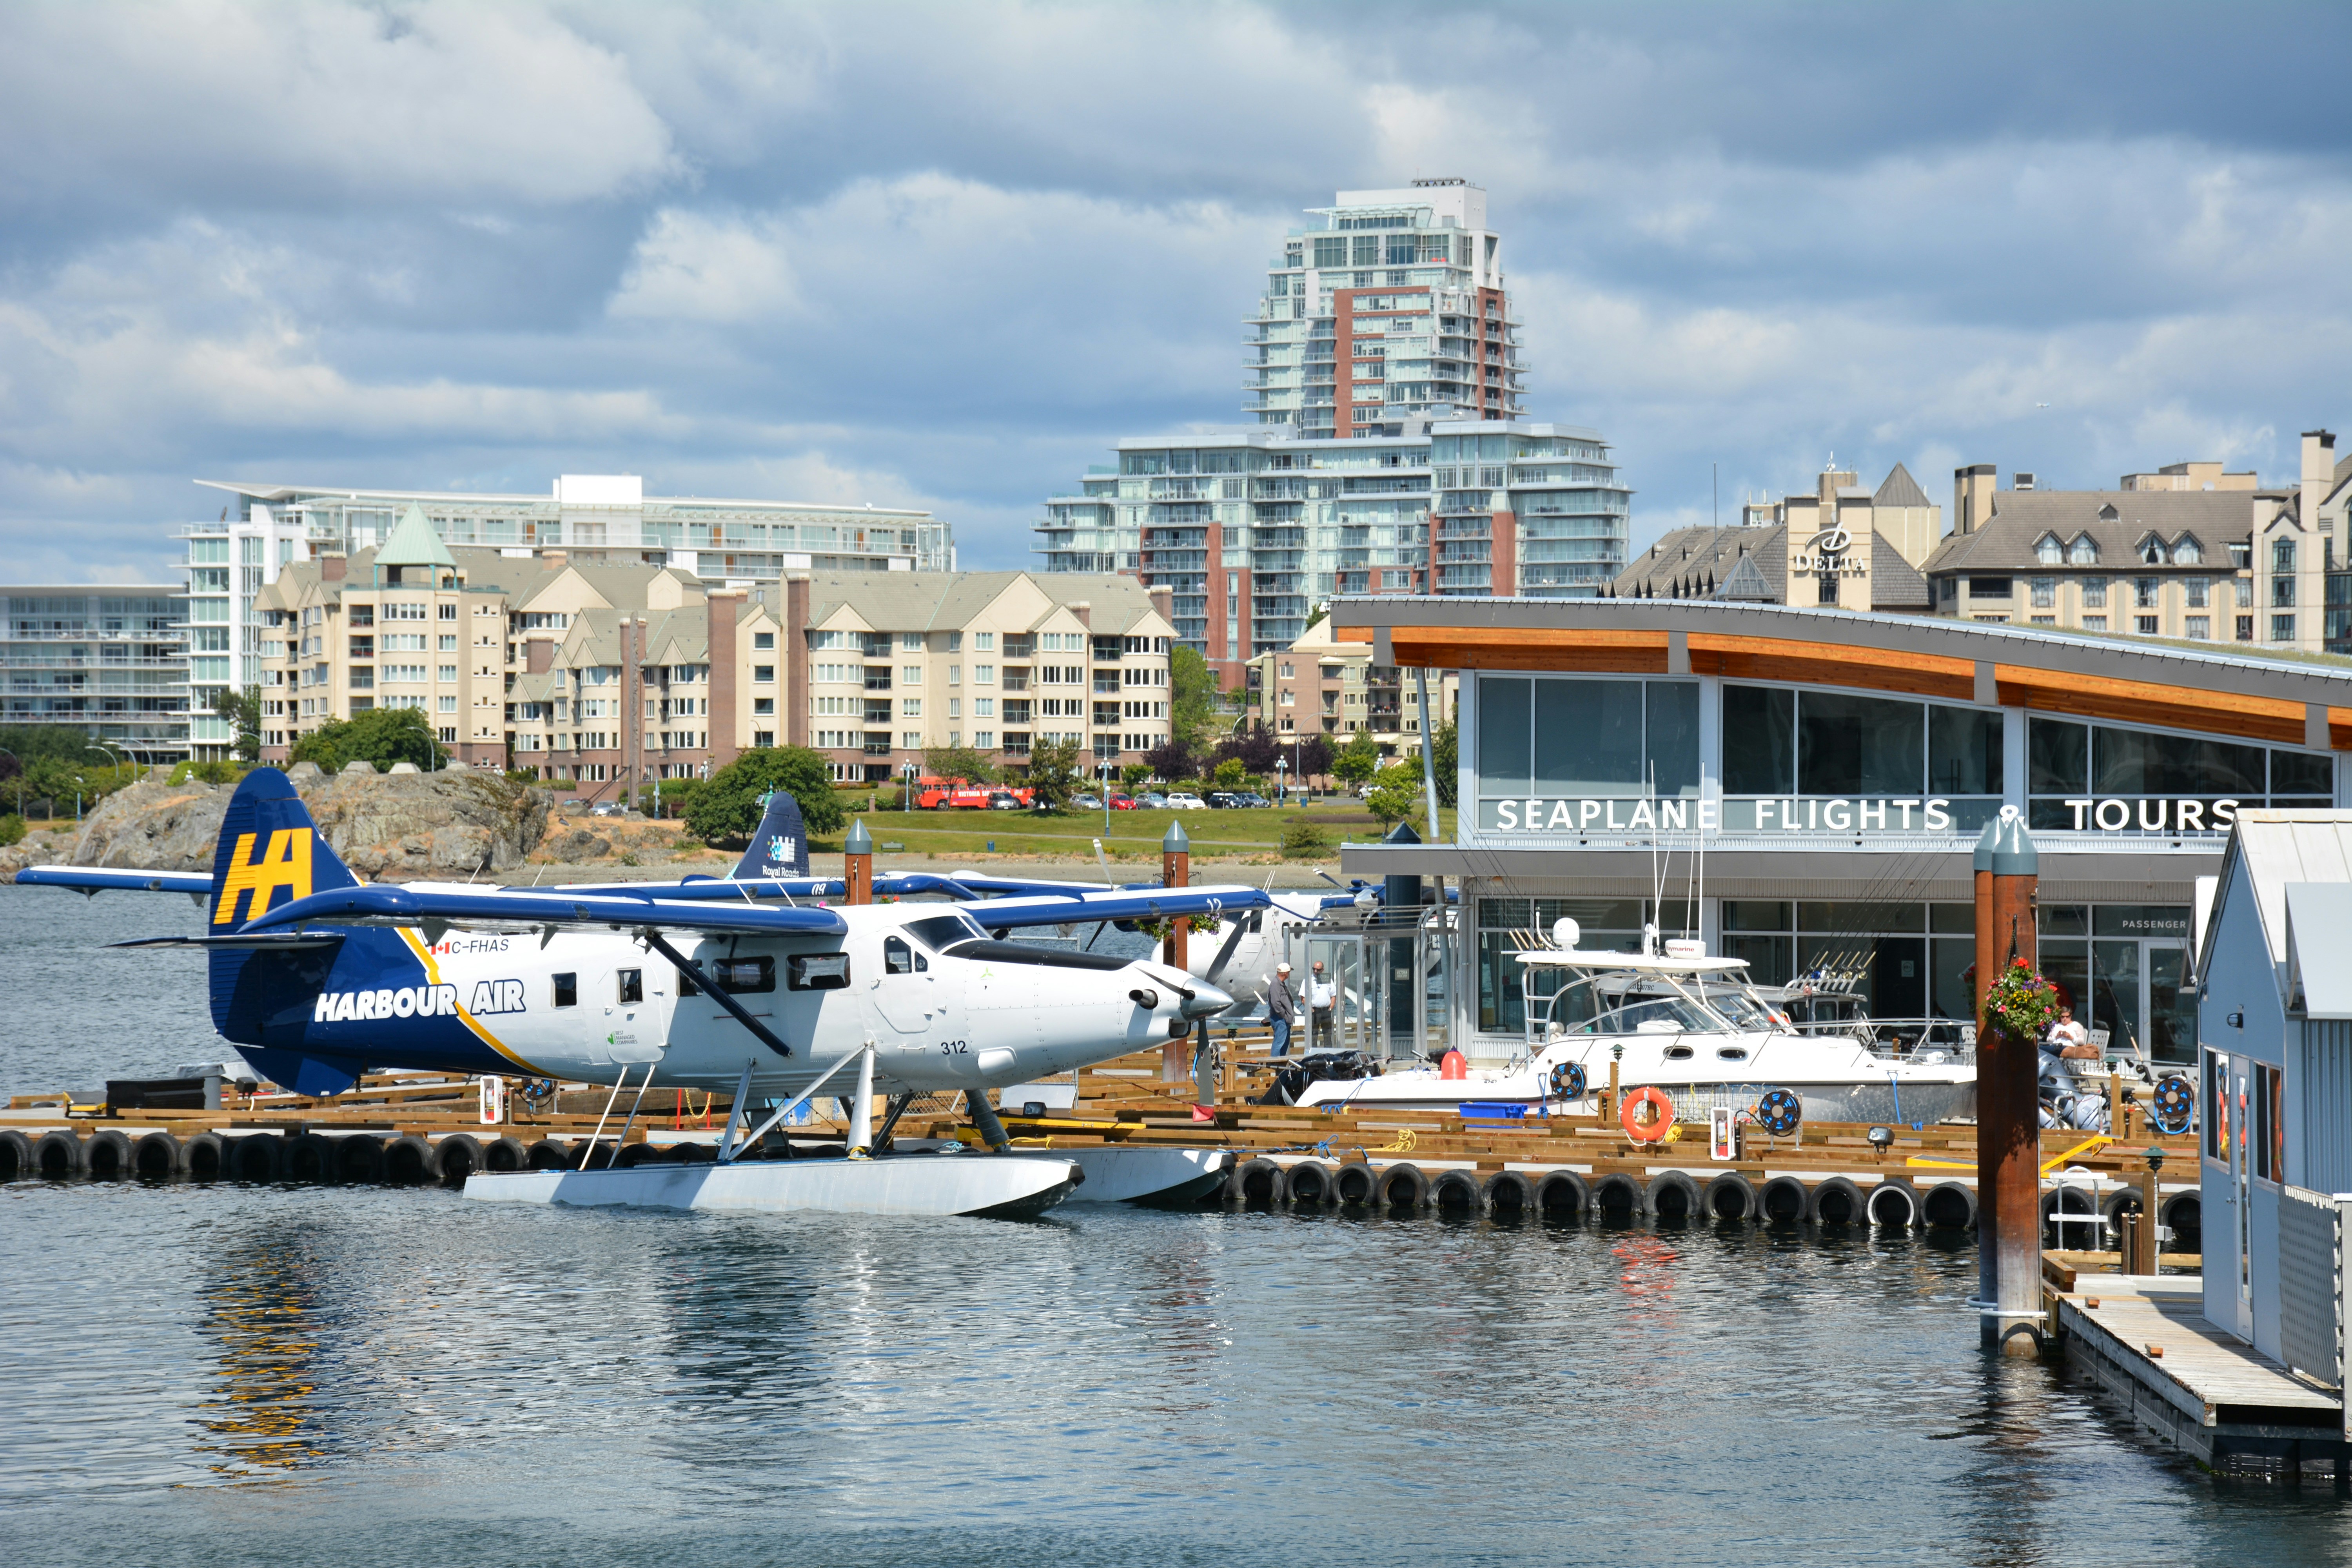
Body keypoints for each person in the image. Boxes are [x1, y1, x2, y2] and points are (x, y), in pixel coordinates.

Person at [1267, 962, 1297, 1058]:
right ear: (1285, 974)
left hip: (1283, 1019)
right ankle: (1276, 1065)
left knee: (1284, 1043)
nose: (1289, 974)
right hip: (1280, 1019)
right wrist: (1283, 1015)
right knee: (1279, 1043)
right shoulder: (1276, 984)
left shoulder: (1280, 984)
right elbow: (1276, 1003)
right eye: (1289, 972)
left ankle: (1281, 1067)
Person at [1308, 959, 1336, 1053]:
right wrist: (1311, 1009)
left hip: (1326, 1011)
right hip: (1314, 1011)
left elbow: (1333, 995)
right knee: (1313, 1035)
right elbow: (1303, 997)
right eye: (1314, 969)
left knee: (1328, 1035)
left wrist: (1331, 1008)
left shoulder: (1328, 980)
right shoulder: (1308, 980)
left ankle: (1329, 1055)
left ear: (1323, 970)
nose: (1316, 972)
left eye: (1318, 970)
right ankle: (1313, 1055)